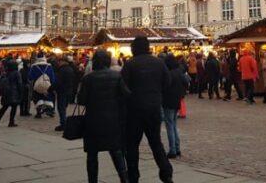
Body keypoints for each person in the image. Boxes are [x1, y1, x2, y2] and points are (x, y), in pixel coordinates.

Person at [121, 36, 173, 183]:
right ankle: (166, 173)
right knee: (156, 142)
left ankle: (133, 176)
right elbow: (168, 82)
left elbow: (123, 87)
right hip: (154, 108)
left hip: (134, 111)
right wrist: (156, 93)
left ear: (134, 48)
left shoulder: (130, 64)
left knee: (131, 145)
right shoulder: (159, 63)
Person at [78, 49, 130, 183]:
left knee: (92, 154)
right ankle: (124, 178)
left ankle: (92, 180)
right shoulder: (117, 76)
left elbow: (81, 100)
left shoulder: (88, 78)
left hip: (93, 121)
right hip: (112, 120)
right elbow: (126, 95)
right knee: (116, 151)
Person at [162, 54, 188, 158]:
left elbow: (163, 86)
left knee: (169, 125)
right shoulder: (179, 72)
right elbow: (187, 81)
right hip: (177, 100)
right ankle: (177, 148)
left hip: (168, 101)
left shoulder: (168, 73)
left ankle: (172, 150)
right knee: (174, 125)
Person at [0, 59, 22, 128]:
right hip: (14, 92)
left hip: (6, 93)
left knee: (4, 107)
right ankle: (11, 121)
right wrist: (20, 92)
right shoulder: (16, 73)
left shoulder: (5, 73)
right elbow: (19, 84)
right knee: (14, 108)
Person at [28, 53, 55, 118]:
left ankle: (39, 112)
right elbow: (52, 76)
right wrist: (52, 83)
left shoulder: (34, 66)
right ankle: (49, 110)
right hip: (47, 84)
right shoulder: (49, 66)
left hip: (37, 85)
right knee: (48, 97)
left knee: (38, 98)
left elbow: (30, 76)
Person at [54, 56, 77, 131]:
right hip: (69, 90)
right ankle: (64, 122)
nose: (58, 63)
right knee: (64, 107)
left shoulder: (62, 70)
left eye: (59, 61)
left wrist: (52, 88)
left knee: (61, 108)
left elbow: (58, 82)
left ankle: (63, 124)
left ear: (63, 62)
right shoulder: (70, 69)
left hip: (62, 91)